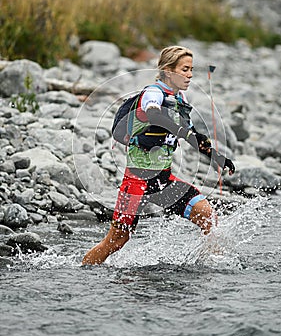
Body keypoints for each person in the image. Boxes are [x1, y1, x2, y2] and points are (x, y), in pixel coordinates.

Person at [82, 46, 235, 265]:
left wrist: (218, 158)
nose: (190, 75)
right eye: (184, 69)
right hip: (136, 183)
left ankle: (210, 266)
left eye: (191, 69)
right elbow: (153, 114)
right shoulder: (153, 93)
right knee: (117, 240)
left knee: (207, 216)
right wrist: (181, 130)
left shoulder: (179, 101)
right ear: (168, 70)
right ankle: (84, 270)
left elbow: (193, 137)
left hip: (163, 181)